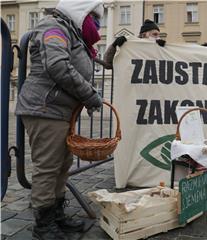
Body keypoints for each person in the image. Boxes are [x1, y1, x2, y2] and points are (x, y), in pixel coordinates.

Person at [15, 0, 104, 239]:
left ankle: (57, 218)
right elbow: (57, 65)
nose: (97, 25)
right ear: (81, 13)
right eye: (94, 18)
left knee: (62, 166)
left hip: (58, 111)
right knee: (48, 168)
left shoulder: (69, 30)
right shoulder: (53, 26)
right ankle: (43, 227)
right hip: (44, 109)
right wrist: (89, 94)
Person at [101, 19, 166, 69]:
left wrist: (165, 48)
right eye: (155, 34)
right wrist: (114, 45)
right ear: (143, 35)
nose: (158, 37)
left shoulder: (158, 48)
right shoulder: (129, 48)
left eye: (158, 35)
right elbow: (107, 64)